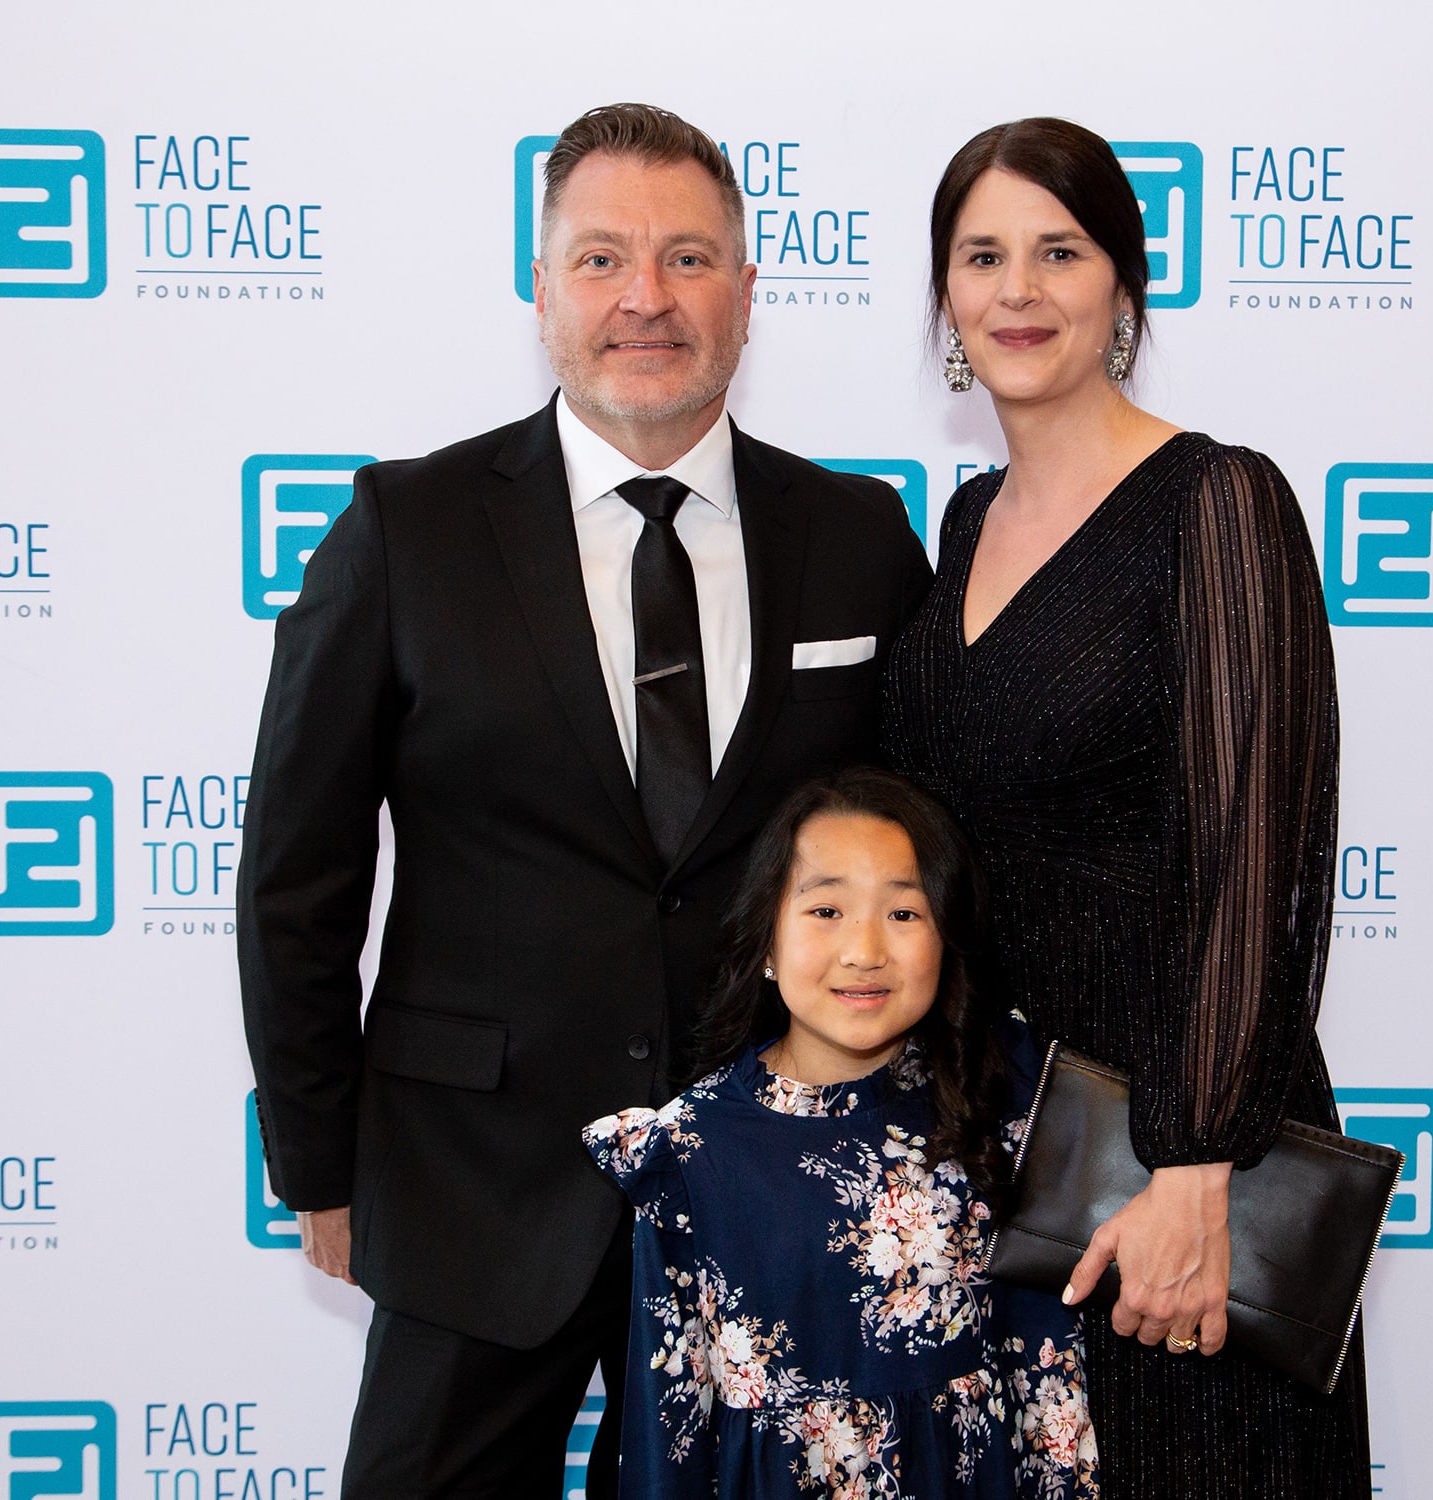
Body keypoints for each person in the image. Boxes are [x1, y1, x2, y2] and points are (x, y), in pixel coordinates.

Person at [237, 103, 932, 1498]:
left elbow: (922, 859)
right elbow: (296, 881)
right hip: (474, 1186)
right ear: (541, 287)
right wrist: (321, 1164)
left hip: (777, 1190)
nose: (647, 299)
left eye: (688, 259)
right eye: (603, 258)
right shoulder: (405, 529)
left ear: (747, 291)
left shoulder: (858, 536)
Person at [880, 119, 1365, 1497]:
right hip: (998, 1133)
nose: (1018, 289)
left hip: (1164, 1143)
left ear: (1124, 289)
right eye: (982, 256)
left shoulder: (1220, 502)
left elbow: (1259, 857)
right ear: (947, 302)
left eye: (1059, 251)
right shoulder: (966, 520)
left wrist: (1196, 1163)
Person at [583, 766, 1098, 1498]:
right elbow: (669, 1415)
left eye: (904, 914)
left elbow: (1048, 1374)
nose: (864, 951)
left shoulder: (998, 1105)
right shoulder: (691, 1148)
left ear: (947, 938)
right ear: (764, 941)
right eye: (826, 912)